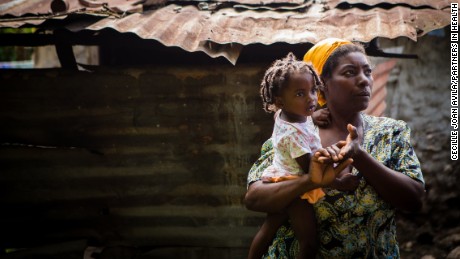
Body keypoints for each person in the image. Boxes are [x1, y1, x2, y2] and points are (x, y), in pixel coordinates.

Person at [245, 38, 425, 258]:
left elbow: (414, 200)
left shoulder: (390, 133)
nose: (364, 80)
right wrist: (309, 181)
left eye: (367, 71)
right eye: (350, 73)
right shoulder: (293, 134)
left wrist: (359, 156)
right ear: (323, 83)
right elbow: (254, 198)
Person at [247, 53, 349, 259]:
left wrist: (313, 115)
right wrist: (339, 182)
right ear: (280, 101)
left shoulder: (288, 114)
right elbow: (311, 169)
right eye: (300, 94)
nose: (311, 98)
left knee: (269, 228)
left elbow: (300, 118)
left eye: (312, 90)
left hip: (279, 174)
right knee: (309, 241)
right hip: (292, 184)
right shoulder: (292, 135)